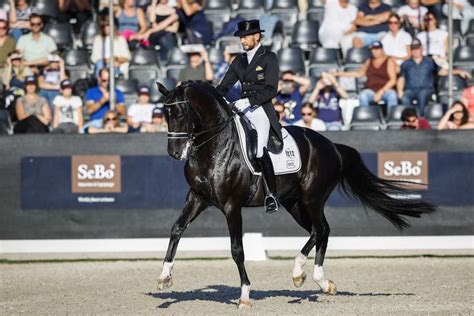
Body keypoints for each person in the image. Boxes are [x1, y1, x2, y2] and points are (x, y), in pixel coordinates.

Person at [216, 19, 281, 213]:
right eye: (241, 38)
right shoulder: (239, 60)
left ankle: (271, 195)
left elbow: (271, 89)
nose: (242, 41)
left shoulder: (269, 57)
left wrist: (250, 102)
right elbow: (224, 86)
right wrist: (213, 98)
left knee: (259, 150)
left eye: (245, 37)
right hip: (242, 109)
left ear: (256, 36)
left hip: (260, 109)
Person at [398, 39, 471, 115]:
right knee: (405, 97)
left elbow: (441, 71)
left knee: (422, 95)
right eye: (413, 49)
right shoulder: (406, 64)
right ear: (410, 50)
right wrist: (400, 91)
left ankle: (420, 119)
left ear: (422, 49)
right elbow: (401, 78)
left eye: (417, 48)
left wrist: (458, 72)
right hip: (410, 90)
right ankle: (408, 118)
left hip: (426, 89)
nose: (415, 51)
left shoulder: (430, 61)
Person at [334, 41, 398, 110]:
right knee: (363, 95)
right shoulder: (369, 61)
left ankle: (391, 118)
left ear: (382, 50)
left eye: (377, 49)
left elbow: (393, 80)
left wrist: (381, 92)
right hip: (371, 90)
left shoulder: (389, 61)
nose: (375, 51)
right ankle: (366, 116)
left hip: (386, 90)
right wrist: (338, 73)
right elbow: (358, 74)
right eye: (373, 49)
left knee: (392, 95)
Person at [0, 19, 16, 83]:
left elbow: (14, 58)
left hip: (6, 69)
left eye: (3, 28)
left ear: (7, 28)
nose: (1, 30)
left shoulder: (12, 41)